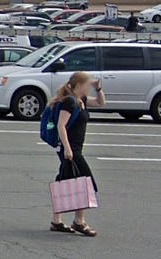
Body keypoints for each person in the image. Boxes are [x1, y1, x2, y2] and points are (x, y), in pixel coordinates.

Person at [50, 71, 105, 237]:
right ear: (79, 85)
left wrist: (98, 89)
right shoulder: (70, 102)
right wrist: (67, 148)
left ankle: (56, 221)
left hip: (75, 150)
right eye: (88, 84)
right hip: (70, 150)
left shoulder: (82, 101)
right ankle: (79, 221)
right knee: (85, 182)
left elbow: (101, 103)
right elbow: (61, 125)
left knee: (65, 180)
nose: (89, 87)